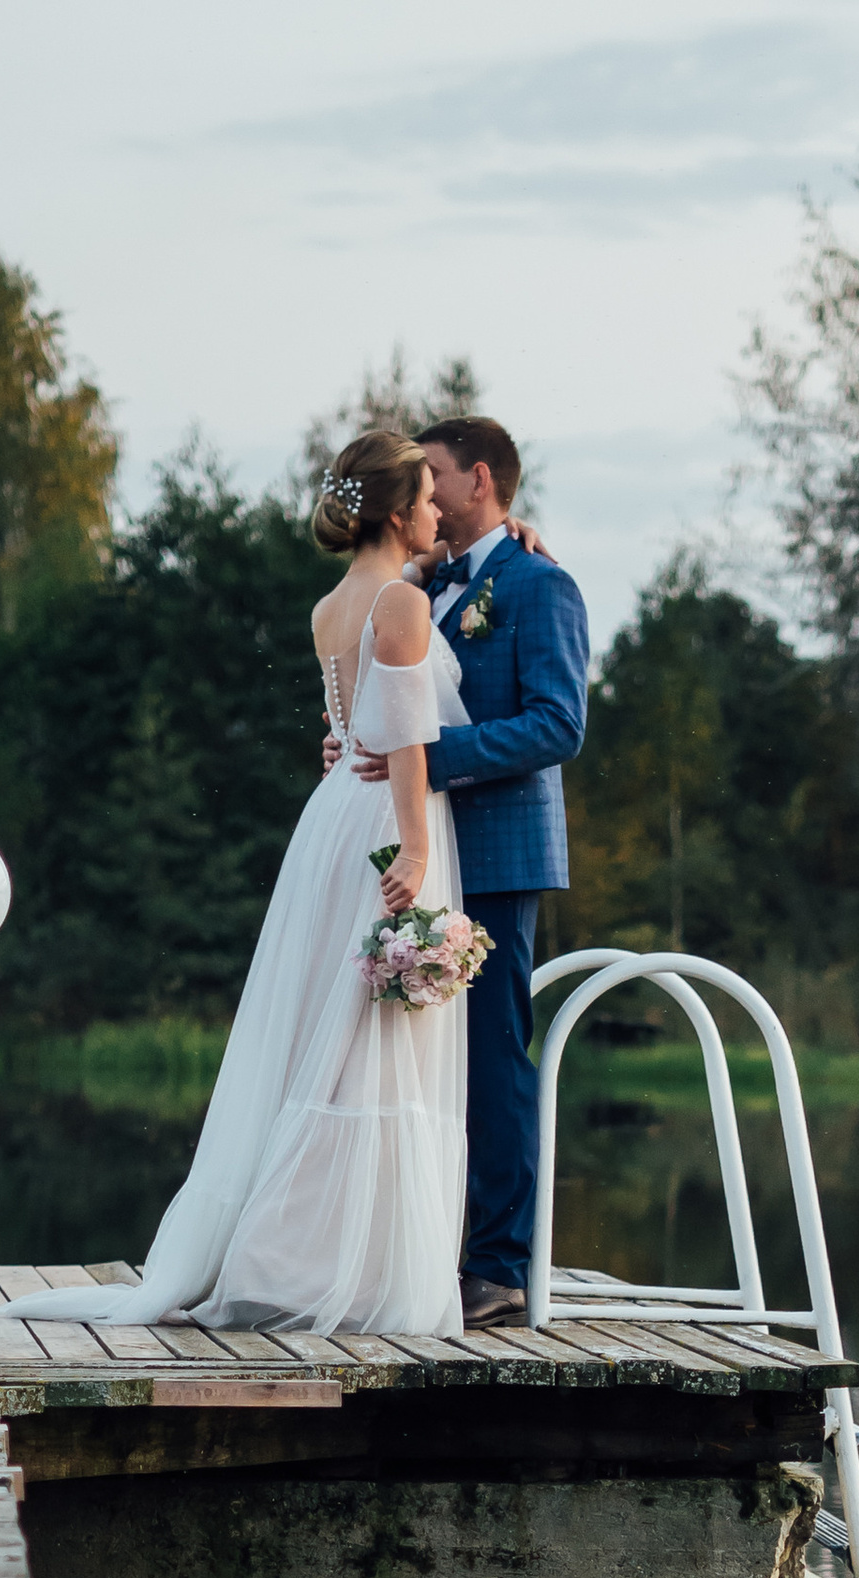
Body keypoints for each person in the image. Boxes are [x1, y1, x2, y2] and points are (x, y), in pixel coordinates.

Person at [4, 426, 477, 1339]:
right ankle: (334, 1267)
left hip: (333, 817)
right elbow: (408, 740)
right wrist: (417, 852)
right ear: (394, 512)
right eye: (425, 499)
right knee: (373, 1039)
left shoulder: (333, 606)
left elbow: (351, 724)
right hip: (387, 820)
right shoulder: (403, 603)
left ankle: (307, 1254)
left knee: (325, 1030)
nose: (437, 513)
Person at [353, 419, 589, 1329]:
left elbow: (558, 724)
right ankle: (417, 1255)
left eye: (436, 475)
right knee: (420, 1061)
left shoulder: (540, 584)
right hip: (427, 851)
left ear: (479, 479)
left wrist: (430, 757)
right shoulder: (421, 585)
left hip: (495, 852)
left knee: (492, 1059)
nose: (424, 490)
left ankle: (498, 1268)